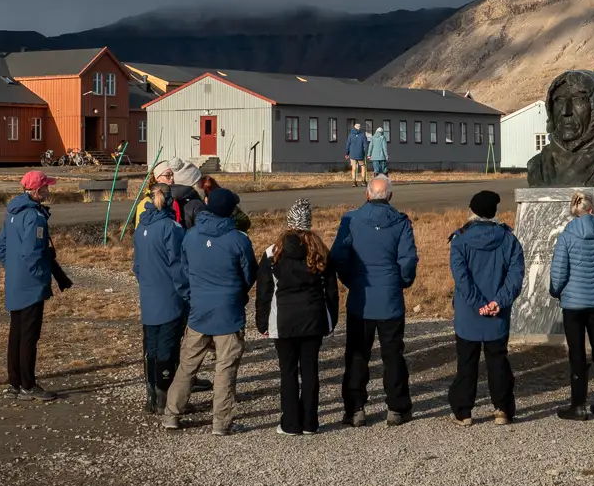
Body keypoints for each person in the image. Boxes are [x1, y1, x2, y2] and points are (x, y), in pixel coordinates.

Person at [163, 186, 256, 435]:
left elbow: (182, 271)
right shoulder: (238, 240)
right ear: (231, 211)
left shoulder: (191, 235)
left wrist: (191, 296)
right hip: (228, 312)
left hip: (199, 310)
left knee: (187, 365)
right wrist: (238, 294)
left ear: (207, 204)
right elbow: (249, 274)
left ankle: (172, 414)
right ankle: (221, 423)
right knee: (225, 368)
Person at [331, 175, 417, 426]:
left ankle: (355, 409)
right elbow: (408, 260)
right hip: (390, 297)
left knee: (357, 355)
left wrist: (351, 280)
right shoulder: (401, 222)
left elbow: (338, 255)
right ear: (390, 196)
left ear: (367, 194)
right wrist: (401, 282)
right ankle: (397, 408)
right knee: (393, 355)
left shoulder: (351, 220)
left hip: (361, 297)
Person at [256, 199, 337, 436]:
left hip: (284, 320)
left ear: (289, 223)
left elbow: (264, 292)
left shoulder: (272, 253)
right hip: (313, 318)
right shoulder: (321, 251)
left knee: (288, 372)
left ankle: (290, 423)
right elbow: (331, 290)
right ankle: (310, 422)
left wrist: (262, 322)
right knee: (310, 370)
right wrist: (331, 319)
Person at [446, 190, 523, 425]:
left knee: (466, 363)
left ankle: (463, 412)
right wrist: (498, 301)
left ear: (472, 211)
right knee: (498, 361)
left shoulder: (460, 240)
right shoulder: (508, 239)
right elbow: (515, 276)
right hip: (497, 311)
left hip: (469, 312)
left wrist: (478, 304)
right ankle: (502, 409)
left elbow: (461, 278)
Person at [0, 170, 72, 401]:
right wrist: (40, 277)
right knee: (29, 335)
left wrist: (14, 268)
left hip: (15, 282)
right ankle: (28, 385)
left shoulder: (12, 212)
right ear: (38, 190)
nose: (49, 190)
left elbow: (1, 247)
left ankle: (15, 382)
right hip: (31, 285)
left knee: (16, 334)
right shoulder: (35, 217)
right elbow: (33, 253)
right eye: (46, 187)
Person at [548, 190, 594, 420]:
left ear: (574, 210)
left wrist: (555, 291)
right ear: (592, 208)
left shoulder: (566, 236)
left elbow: (559, 273)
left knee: (576, 352)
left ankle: (578, 405)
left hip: (573, 304)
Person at [133, 181, 191, 413]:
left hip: (149, 294)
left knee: (151, 345)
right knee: (168, 347)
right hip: (170, 296)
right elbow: (179, 266)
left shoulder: (141, 227)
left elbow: (137, 266)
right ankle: (164, 399)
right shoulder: (171, 228)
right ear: (170, 201)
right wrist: (187, 294)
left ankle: (151, 395)